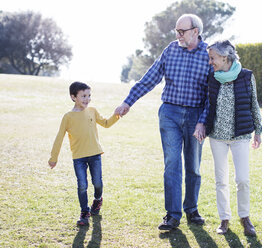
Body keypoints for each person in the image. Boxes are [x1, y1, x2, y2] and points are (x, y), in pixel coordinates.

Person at [115, 14, 211, 231]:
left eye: (181, 31)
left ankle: (191, 209)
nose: (177, 35)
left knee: (193, 165)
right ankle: (173, 215)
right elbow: (149, 78)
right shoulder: (170, 50)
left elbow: (211, 95)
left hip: (196, 116)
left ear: (195, 31)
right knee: (172, 164)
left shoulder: (209, 55)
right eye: (176, 31)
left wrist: (203, 122)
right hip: (170, 113)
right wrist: (128, 102)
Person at [201, 40, 262, 236]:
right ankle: (224, 219)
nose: (210, 62)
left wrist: (258, 131)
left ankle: (245, 218)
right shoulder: (212, 77)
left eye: (213, 58)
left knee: (242, 179)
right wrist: (201, 125)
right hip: (217, 136)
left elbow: (254, 103)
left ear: (224, 57)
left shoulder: (246, 76)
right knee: (221, 180)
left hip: (241, 135)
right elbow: (206, 105)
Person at [48, 82, 120, 226]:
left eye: (89, 95)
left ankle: (98, 200)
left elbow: (105, 123)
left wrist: (117, 115)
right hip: (78, 157)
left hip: (95, 154)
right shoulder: (68, 117)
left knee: (97, 183)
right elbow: (59, 137)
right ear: (73, 97)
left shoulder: (92, 111)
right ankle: (84, 212)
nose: (87, 99)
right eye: (83, 96)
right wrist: (53, 157)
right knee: (82, 185)